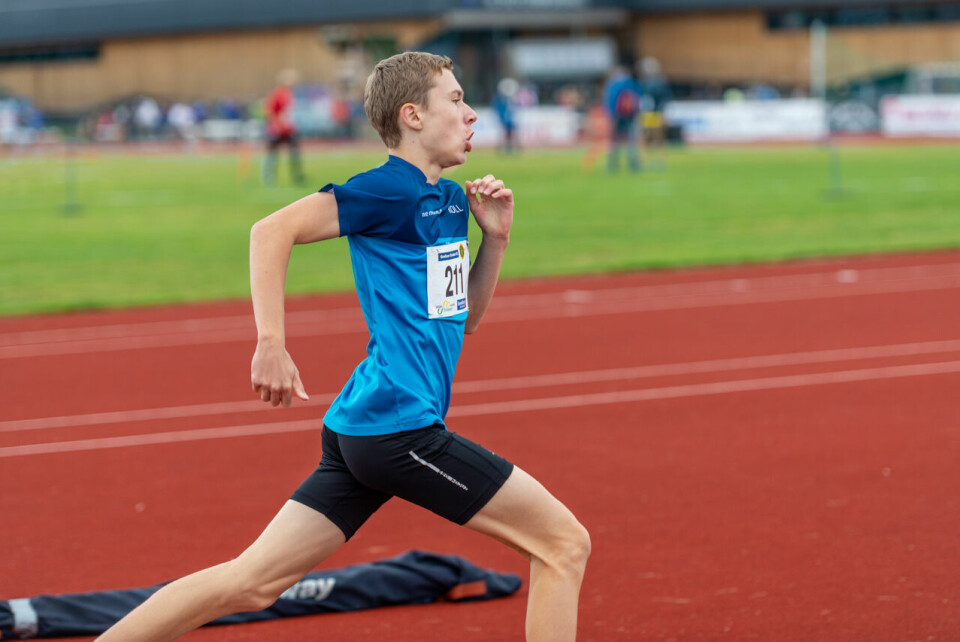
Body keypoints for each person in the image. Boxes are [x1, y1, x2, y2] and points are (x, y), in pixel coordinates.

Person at [95, 51, 590, 642]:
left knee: (252, 582)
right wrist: (270, 343)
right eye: (455, 100)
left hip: (366, 427)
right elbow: (270, 231)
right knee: (563, 544)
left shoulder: (453, 201)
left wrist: (497, 241)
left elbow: (465, 320)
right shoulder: (385, 191)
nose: (471, 114)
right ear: (412, 116)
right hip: (399, 431)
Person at [262, 68, 306, 185]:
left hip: (287, 129)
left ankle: (297, 176)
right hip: (277, 129)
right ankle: (269, 176)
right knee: (273, 153)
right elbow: (270, 111)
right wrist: (275, 125)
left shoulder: (288, 94)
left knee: (294, 152)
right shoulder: (278, 94)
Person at [603, 65, 643, 173]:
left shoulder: (613, 84)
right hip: (631, 115)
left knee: (615, 141)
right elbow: (639, 98)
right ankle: (634, 164)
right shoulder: (633, 83)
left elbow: (609, 101)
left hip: (616, 116)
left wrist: (610, 115)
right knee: (632, 140)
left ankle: (613, 165)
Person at [492, 77, 520, 153]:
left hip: (510, 119)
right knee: (505, 134)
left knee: (512, 134)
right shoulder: (499, 99)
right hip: (504, 119)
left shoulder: (510, 99)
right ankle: (503, 148)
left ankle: (513, 147)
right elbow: (497, 108)